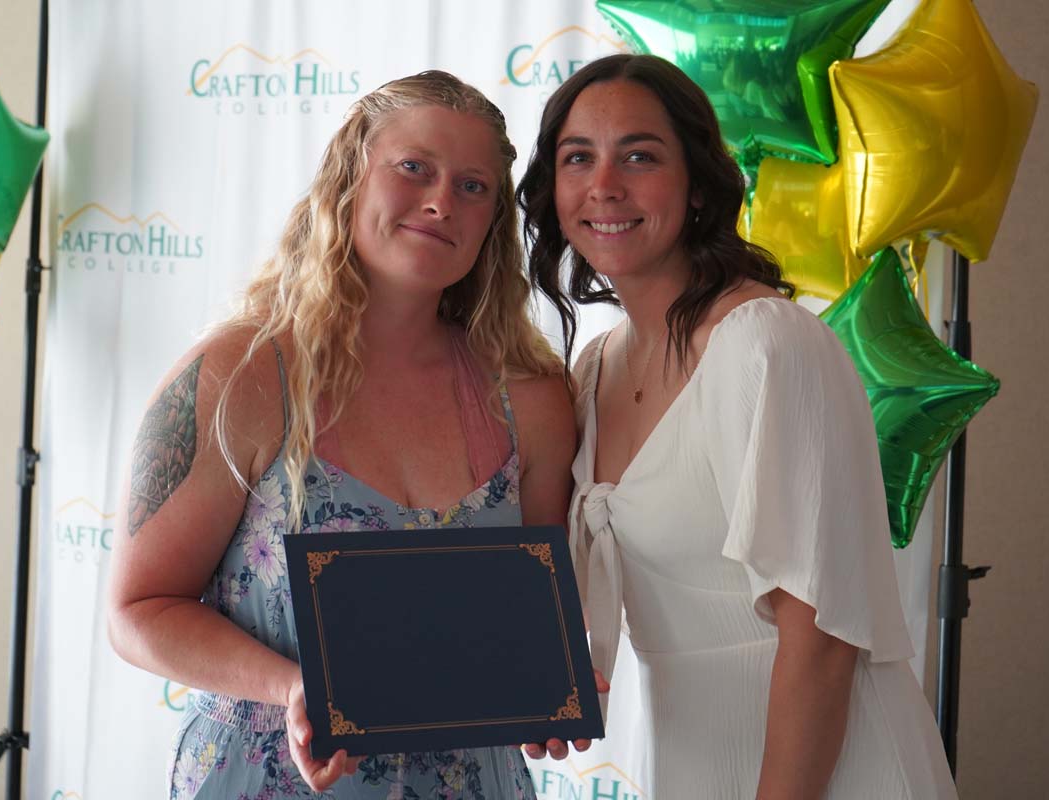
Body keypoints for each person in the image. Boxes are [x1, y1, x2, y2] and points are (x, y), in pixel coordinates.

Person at [107, 71, 585, 799]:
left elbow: (533, 617)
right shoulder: (239, 373)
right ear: (348, 179)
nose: (439, 200)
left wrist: (548, 683)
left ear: (492, 220)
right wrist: (294, 688)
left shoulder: (535, 395)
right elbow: (136, 611)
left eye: (472, 186)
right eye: (414, 168)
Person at [517, 54, 959, 799]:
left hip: (826, 774)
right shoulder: (592, 370)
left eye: (639, 155)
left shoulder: (765, 344)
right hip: (690, 764)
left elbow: (821, 639)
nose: (605, 185)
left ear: (696, 186)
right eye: (577, 159)